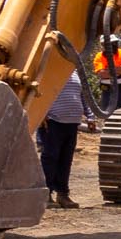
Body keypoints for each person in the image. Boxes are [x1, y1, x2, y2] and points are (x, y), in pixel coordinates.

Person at [37, 71, 88, 208]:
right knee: (50, 158)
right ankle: (45, 195)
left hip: (72, 122)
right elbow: (40, 93)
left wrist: (90, 116)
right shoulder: (51, 71)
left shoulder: (75, 73)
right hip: (53, 121)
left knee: (66, 160)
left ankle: (62, 194)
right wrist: (41, 114)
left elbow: (81, 96)